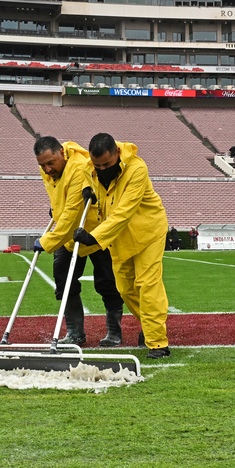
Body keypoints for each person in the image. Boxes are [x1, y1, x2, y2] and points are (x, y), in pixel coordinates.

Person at [72, 133, 171, 359]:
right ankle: (149, 326)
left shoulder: (137, 169)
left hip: (147, 233)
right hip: (119, 238)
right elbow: (85, 171)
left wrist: (94, 237)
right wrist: (87, 187)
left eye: (107, 164)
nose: (102, 169)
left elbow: (124, 212)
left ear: (117, 153)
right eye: (98, 165)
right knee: (126, 290)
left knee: (147, 285)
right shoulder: (91, 167)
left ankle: (158, 343)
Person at [32, 136, 123, 347]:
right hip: (69, 235)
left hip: (96, 231)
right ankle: (75, 332)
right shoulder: (48, 169)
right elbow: (58, 196)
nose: (46, 169)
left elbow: (73, 211)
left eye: (50, 163)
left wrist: (47, 241)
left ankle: (114, 331)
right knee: (63, 279)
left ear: (61, 153)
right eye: (42, 165)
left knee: (107, 282)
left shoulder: (80, 167)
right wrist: (55, 208)